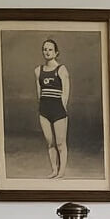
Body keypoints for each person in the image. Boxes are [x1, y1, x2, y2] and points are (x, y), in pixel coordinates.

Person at [35, 39, 70, 177]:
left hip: (58, 109)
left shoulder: (61, 69)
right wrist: (42, 107)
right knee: (50, 142)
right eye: (45, 49)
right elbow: (39, 93)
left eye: (50, 49)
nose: (47, 52)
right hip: (44, 110)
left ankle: (61, 171)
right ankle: (54, 169)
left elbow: (65, 92)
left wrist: (62, 108)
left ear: (56, 52)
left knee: (61, 143)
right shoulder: (38, 70)